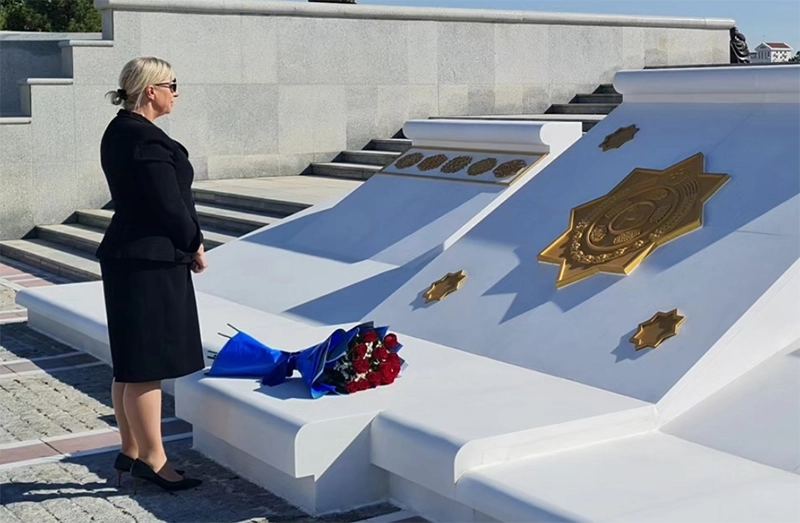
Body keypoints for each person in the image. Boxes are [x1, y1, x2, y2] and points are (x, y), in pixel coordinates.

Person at [97, 56, 207, 493]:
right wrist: (194, 243)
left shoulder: (120, 131)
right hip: (150, 260)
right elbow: (168, 204)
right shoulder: (144, 138)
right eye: (172, 85)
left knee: (130, 364)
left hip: (132, 254)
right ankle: (154, 460)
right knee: (147, 366)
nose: (177, 93)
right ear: (151, 90)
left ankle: (131, 450)